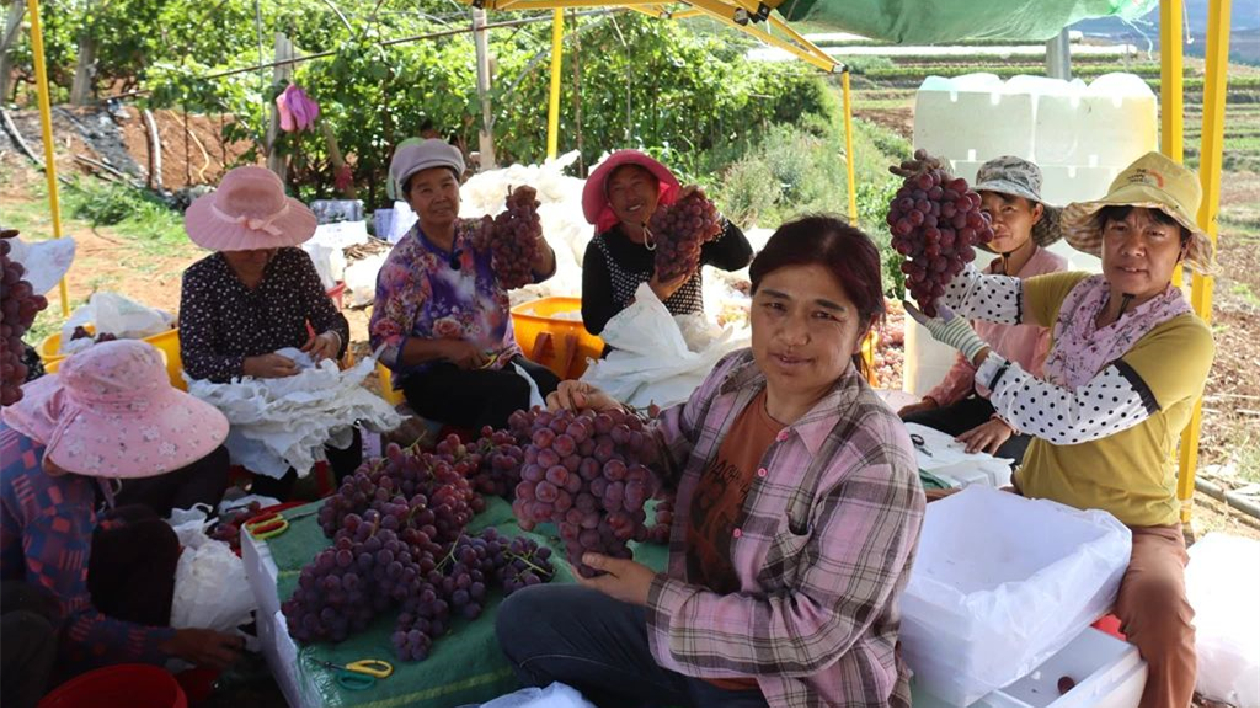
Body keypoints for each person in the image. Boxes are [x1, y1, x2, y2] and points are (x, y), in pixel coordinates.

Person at [497, 216, 925, 707]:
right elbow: (667, 448)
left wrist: (654, 596)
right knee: (525, 619)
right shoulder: (737, 378)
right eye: (775, 306)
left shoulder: (873, 461)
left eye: (824, 315)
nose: (791, 334)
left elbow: (812, 636)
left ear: (862, 330)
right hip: (688, 644)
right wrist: (611, 420)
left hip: (787, 689)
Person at [905, 152, 1214, 708]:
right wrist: (936, 217)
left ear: (1183, 247)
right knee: (921, 518)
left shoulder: (1184, 338)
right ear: (1101, 236)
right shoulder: (1076, 293)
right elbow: (969, 293)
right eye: (1120, 226)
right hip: (1038, 499)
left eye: (1155, 231)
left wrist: (975, 349)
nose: (1133, 245)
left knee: (1165, 617)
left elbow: (1070, 420)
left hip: (1132, 521)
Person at [0, 341, 245, 702]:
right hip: (15, 603)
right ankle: (83, 681)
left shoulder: (42, 424)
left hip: (21, 566)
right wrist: (174, 643)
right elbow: (67, 619)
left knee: (142, 527)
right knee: (31, 625)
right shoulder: (58, 501)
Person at [179, 165, 360, 499]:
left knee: (346, 425)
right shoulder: (201, 281)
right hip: (238, 394)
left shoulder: (294, 264)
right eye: (250, 247)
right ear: (225, 240)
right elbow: (196, 359)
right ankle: (268, 508)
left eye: (269, 245)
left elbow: (330, 320)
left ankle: (357, 499)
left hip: (296, 385)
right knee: (279, 449)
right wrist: (250, 366)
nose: (262, 255)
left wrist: (331, 339)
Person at [370, 139, 561, 431]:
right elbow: (384, 345)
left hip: (500, 360)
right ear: (410, 200)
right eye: (426, 189)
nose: (440, 196)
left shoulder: (482, 234)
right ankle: (489, 468)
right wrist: (446, 348)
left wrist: (532, 230)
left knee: (553, 387)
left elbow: (541, 271)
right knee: (509, 394)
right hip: (432, 378)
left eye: (447, 184)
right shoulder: (403, 265)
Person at [899, 156, 1068, 464]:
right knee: (903, 433)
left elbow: (1051, 368)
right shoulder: (985, 278)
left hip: (1031, 418)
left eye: (1009, 210)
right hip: (982, 405)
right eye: (987, 212)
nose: (997, 221)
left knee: (992, 465)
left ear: (1035, 213)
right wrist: (934, 401)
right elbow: (969, 362)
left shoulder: (1054, 274)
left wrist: (1007, 422)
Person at [580, 150, 753, 337]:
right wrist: (648, 298)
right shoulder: (601, 248)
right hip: (628, 358)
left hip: (688, 352)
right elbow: (594, 322)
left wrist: (710, 213)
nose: (629, 196)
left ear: (656, 188)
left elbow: (740, 258)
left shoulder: (684, 230)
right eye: (618, 189)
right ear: (610, 203)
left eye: (637, 184)